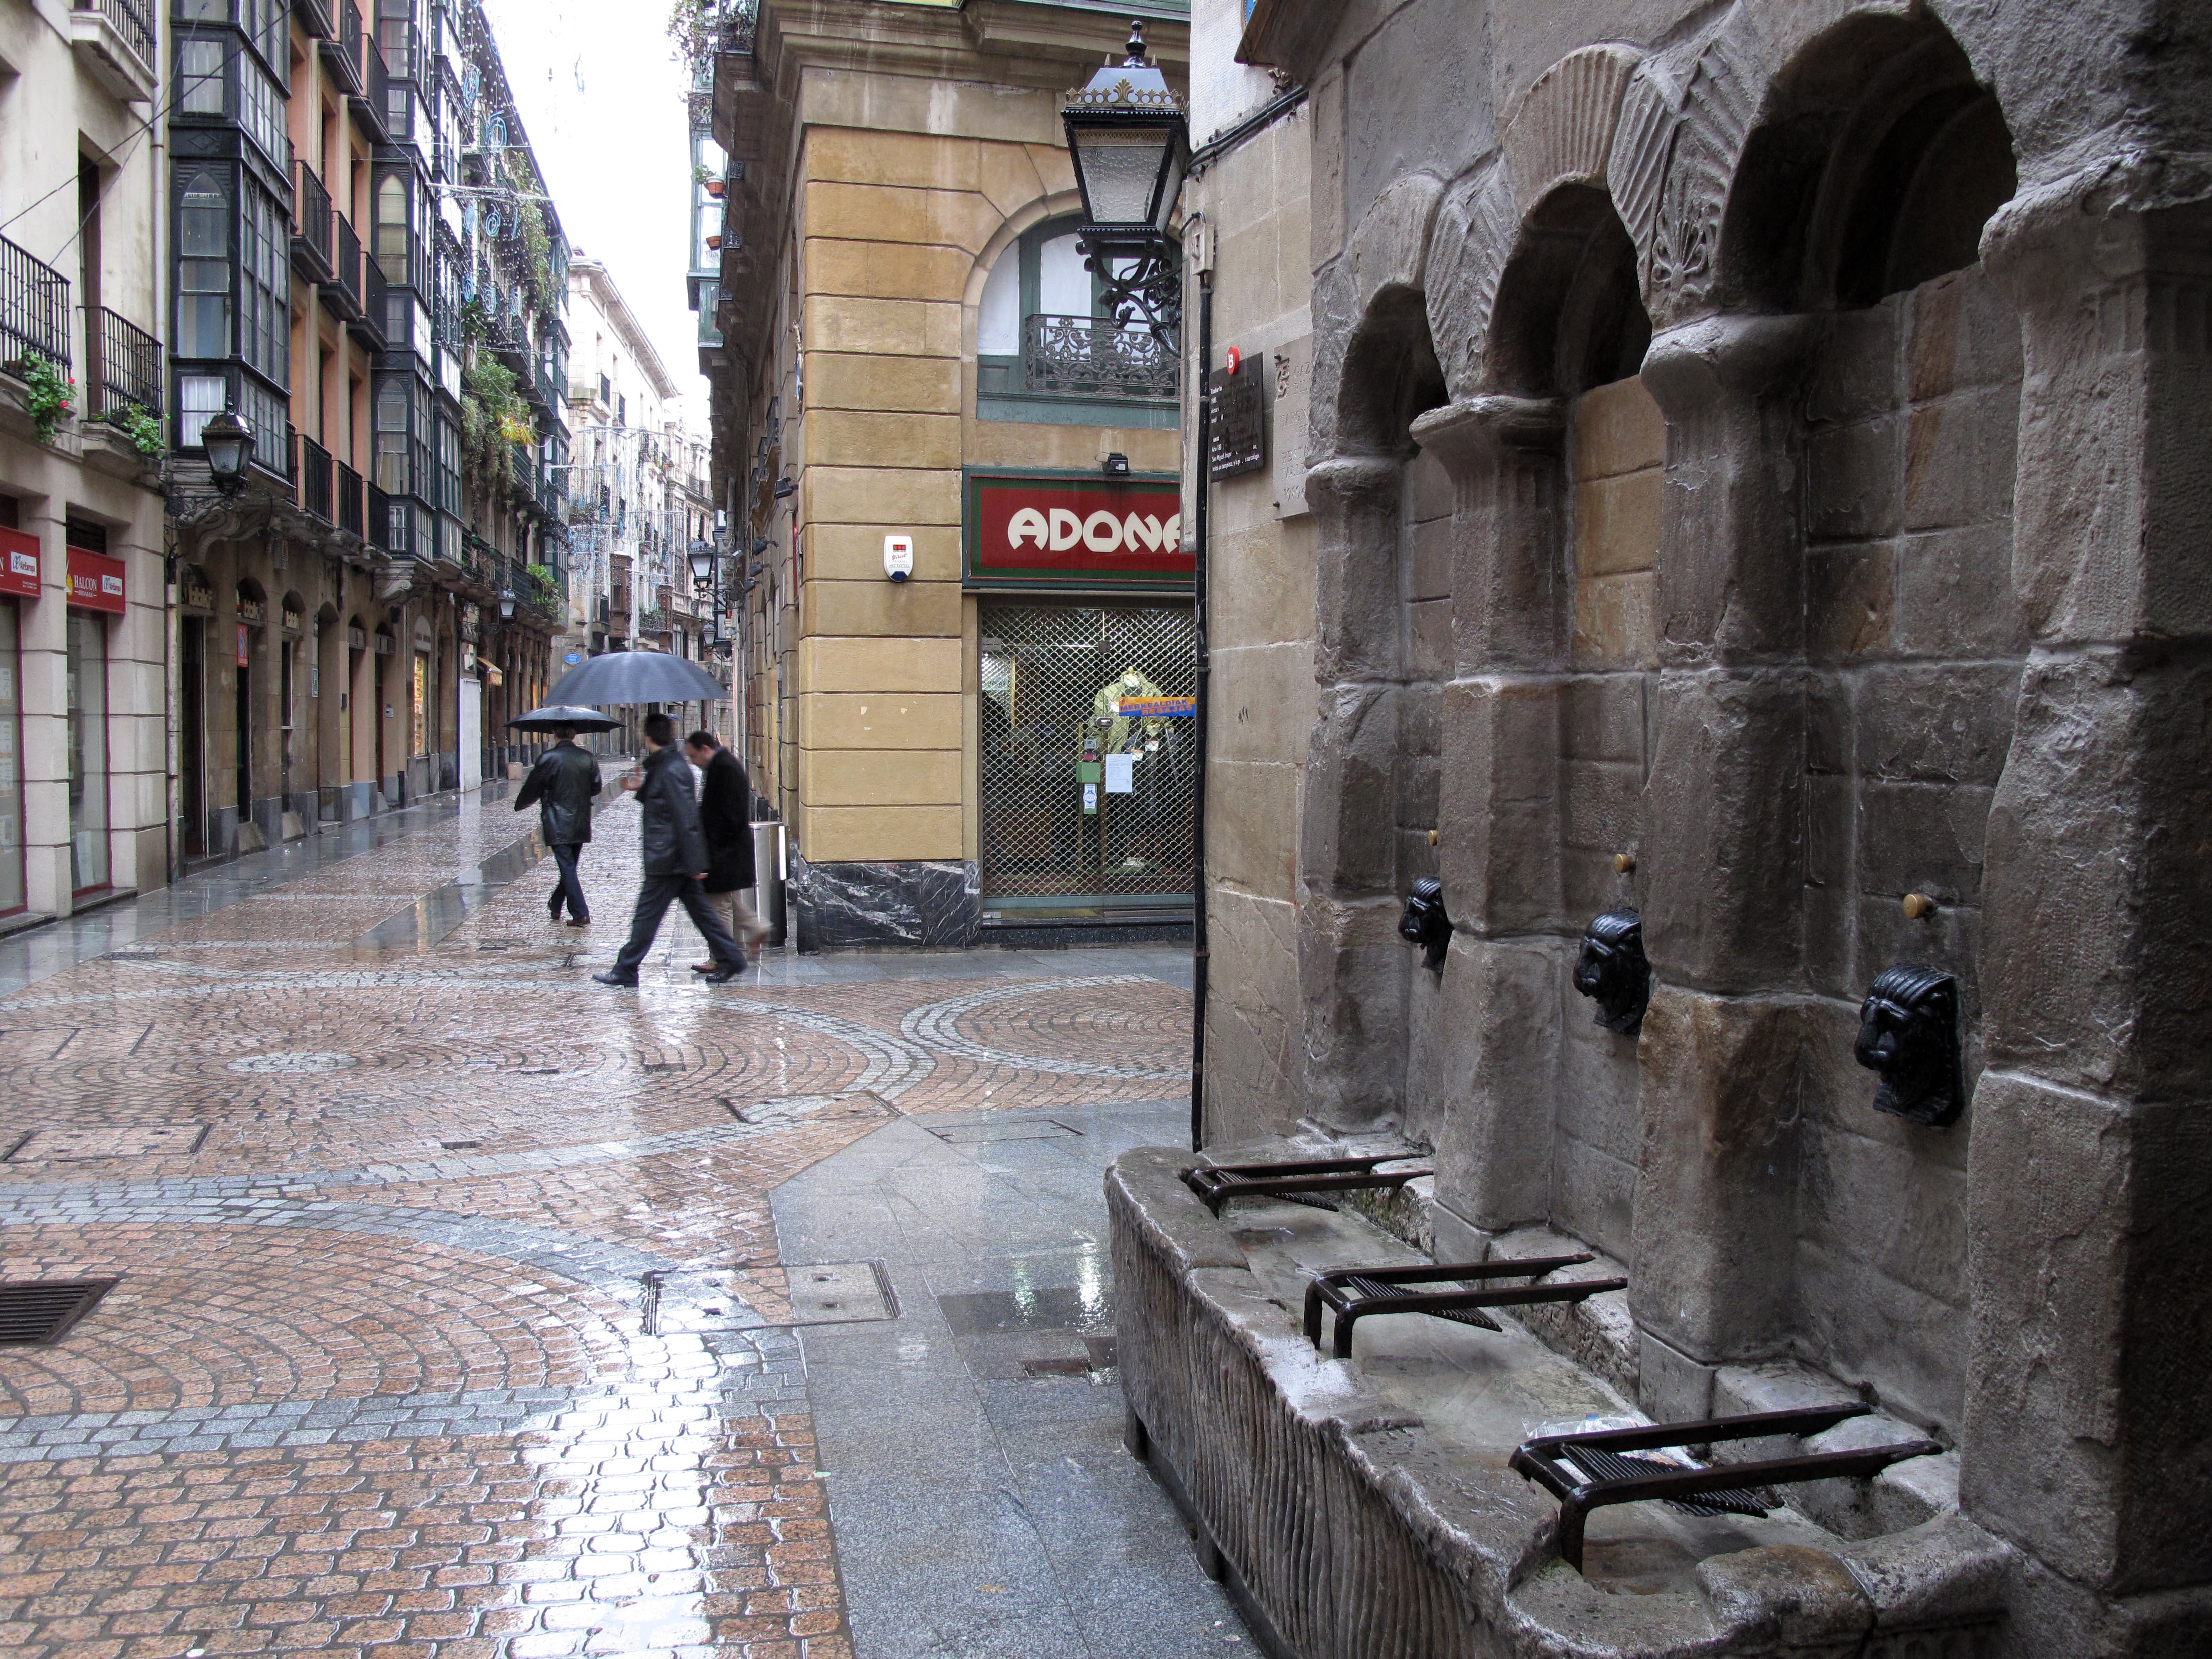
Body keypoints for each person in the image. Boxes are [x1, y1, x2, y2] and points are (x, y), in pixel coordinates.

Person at [593, 712, 748, 987]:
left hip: (669, 859)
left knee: (646, 917)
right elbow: (663, 805)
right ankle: (731, 957)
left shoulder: (671, 769)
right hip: (673, 859)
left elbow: (685, 817)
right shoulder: (665, 767)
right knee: (703, 916)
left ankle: (626, 969)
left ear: (647, 737)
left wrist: (696, 862)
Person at [684, 730, 771, 972]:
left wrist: (709, 850)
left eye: (693, 757)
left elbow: (725, 815)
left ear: (705, 750)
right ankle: (756, 926)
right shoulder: (723, 766)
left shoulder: (723, 769)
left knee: (718, 905)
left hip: (723, 850)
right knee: (723, 899)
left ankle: (721, 957)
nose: (693, 763)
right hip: (727, 848)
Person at [513, 724, 601, 927]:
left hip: (557, 821)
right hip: (580, 820)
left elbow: (533, 787)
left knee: (568, 867)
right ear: (574, 734)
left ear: (554, 734)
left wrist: (521, 805)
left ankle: (580, 913)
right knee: (569, 867)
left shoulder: (548, 759)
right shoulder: (588, 758)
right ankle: (556, 902)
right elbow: (596, 787)